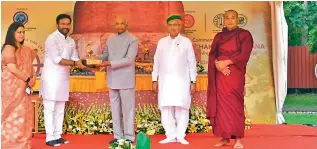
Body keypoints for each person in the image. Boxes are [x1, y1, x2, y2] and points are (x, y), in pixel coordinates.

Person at [206, 10, 254, 149]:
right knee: (221, 106)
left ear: (237, 20)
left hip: (234, 75)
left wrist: (226, 62)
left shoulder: (244, 35)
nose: (229, 20)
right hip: (220, 75)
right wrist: (218, 65)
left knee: (235, 105)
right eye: (227, 18)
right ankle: (225, 137)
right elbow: (212, 55)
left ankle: (238, 139)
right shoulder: (219, 36)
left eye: (233, 18)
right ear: (224, 20)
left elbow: (244, 54)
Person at [39, 14, 85, 147]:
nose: (66, 26)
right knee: (50, 107)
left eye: (67, 24)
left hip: (64, 78)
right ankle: (49, 137)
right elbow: (57, 59)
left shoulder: (70, 41)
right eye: (63, 24)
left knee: (60, 107)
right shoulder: (51, 38)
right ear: (57, 25)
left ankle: (57, 135)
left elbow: (75, 58)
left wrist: (88, 63)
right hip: (51, 78)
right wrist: (76, 64)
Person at [152, 14, 197, 145]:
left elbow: (192, 63)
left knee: (182, 107)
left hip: (182, 81)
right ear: (167, 26)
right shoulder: (162, 42)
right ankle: (170, 135)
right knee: (165, 107)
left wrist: (193, 81)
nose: (173, 27)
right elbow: (156, 62)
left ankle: (181, 135)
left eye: (176, 25)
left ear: (180, 26)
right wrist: (154, 79)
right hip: (165, 81)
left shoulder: (186, 42)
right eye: (171, 25)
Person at [97, 16, 138, 144]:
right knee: (114, 109)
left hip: (126, 79)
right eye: (117, 24)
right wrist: (95, 60)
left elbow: (129, 59)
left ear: (126, 24)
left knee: (128, 109)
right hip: (112, 78)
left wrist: (109, 63)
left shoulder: (132, 39)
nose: (119, 26)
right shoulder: (110, 39)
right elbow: (105, 56)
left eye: (122, 23)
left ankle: (129, 137)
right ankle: (117, 136)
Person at [1, 22, 37, 149]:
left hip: (24, 86)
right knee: (15, 114)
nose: (22, 34)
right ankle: (11, 144)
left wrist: (32, 78)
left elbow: (29, 67)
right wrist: (27, 78)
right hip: (13, 88)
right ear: (12, 33)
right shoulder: (8, 48)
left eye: (23, 32)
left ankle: (24, 143)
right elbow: (12, 68)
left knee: (25, 114)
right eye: (19, 32)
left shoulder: (26, 49)